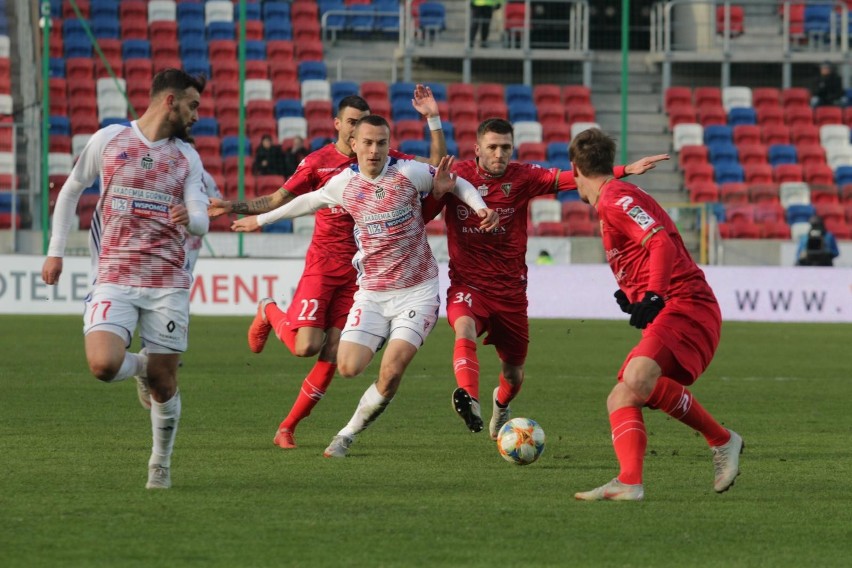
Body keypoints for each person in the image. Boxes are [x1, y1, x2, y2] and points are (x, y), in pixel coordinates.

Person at [231, 115, 499, 458]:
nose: (375, 150)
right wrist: (261, 220)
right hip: (371, 293)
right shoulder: (344, 184)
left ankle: (346, 435)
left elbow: (457, 183)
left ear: (390, 144)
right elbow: (307, 201)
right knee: (348, 367)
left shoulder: (407, 173)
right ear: (354, 144)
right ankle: (377, 334)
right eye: (368, 143)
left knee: (390, 372)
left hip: (416, 292)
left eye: (382, 143)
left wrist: (480, 208)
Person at [208, 87, 446, 450]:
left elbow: (437, 173)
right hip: (324, 263)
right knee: (306, 346)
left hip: (366, 271)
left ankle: (289, 426)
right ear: (337, 125)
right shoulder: (318, 164)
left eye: (362, 129)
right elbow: (280, 200)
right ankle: (270, 310)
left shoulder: (385, 159)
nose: (357, 136)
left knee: (336, 354)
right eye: (350, 125)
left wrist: (433, 121)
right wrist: (235, 207)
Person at [421, 118, 669, 440]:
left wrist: (624, 170)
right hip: (468, 285)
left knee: (514, 373)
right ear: (477, 149)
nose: (500, 154)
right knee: (463, 327)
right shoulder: (458, 177)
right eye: (493, 147)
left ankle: (500, 403)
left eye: (506, 147)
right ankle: (470, 399)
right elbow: (425, 209)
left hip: (510, 293)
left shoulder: (523, 177)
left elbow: (572, 179)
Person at [41, 68, 209, 490]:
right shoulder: (109, 139)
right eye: (192, 105)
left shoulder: (187, 157)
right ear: (169, 101)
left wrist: (195, 217)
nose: (196, 114)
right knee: (102, 365)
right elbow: (71, 190)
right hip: (113, 276)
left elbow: (202, 218)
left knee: (165, 383)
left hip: (167, 283)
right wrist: (55, 250)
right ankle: (141, 368)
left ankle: (160, 463)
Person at [568, 128, 742, 501]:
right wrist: (635, 294)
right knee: (621, 397)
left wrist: (653, 293)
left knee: (637, 376)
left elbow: (659, 241)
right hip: (677, 302)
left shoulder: (615, 198)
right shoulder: (614, 196)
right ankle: (630, 481)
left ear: (575, 169)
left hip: (687, 302)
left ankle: (722, 440)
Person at [184, 135, 223, 274]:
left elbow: (218, 202)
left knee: (186, 278)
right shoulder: (170, 170)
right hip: (170, 235)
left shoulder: (204, 177)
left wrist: (203, 217)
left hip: (192, 238)